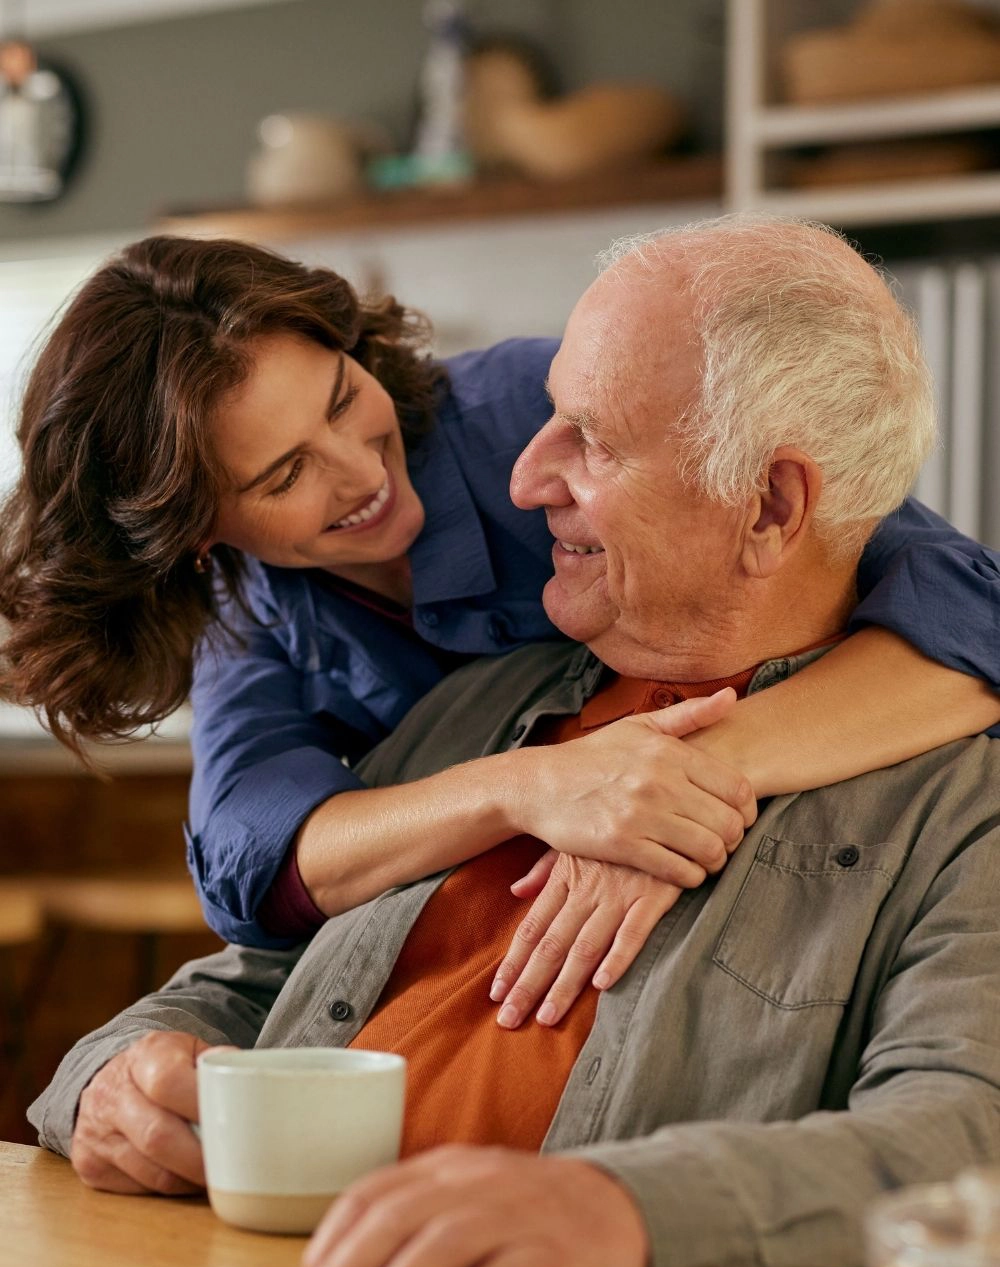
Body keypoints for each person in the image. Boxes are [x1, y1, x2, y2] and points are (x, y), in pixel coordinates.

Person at [30, 216, 1000, 1267]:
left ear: (770, 505)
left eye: (587, 437)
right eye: (285, 472)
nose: (523, 476)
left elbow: (963, 1133)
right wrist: (106, 1079)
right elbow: (251, 951)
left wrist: (615, 1207)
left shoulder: (951, 802)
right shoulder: (477, 708)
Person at [1, 234, 998, 1030]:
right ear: (195, 534)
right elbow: (258, 863)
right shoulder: (247, 612)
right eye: (282, 474)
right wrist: (532, 786)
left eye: (346, 398)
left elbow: (962, 607)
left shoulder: (539, 410)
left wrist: (677, 772)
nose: (359, 471)